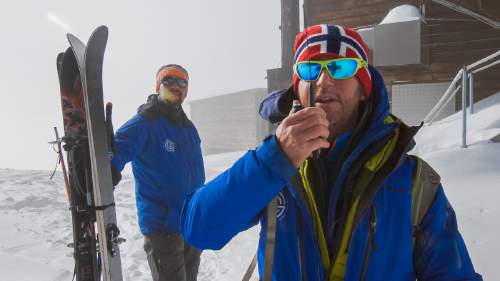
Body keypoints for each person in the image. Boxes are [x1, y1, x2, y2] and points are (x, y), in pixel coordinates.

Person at [180, 24, 482, 280]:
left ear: (364, 88)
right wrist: (276, 160)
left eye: (340, 67)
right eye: (311, 69)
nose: (324, 81)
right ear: (297, 87)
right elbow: (199, 230)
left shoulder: (414, 182)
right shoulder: (269, 166)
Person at [111, 64, 204, 281]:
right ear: (158, 86)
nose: (176, 86)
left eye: (182, 82)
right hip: (163, 227)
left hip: (190, 222)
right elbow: (120, 145)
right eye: (169, 81)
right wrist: (111, 165)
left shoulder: (188, 127)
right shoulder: (146, 121)